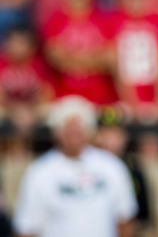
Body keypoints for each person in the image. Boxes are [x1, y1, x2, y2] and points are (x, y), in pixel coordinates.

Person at [13, 96, 138, 237]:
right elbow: (27, 228)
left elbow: (125, 220)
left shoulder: (112, 166)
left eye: (78, 127)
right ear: (57, 131)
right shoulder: (39, 172)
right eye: (68, 128)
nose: (74, 134)